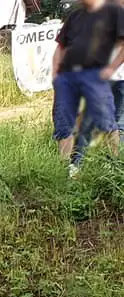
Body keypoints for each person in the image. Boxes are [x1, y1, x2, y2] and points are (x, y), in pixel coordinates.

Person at [53, 0, 124, 171]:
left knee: (111, 122)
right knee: (72, 120)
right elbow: (61, 45)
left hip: (112, 78)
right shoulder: (76, 16)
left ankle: (113, 168)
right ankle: (71, 167)